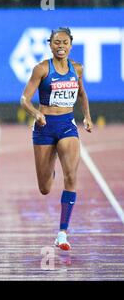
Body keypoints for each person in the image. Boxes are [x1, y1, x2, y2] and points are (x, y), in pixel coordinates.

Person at [20, 27, 93, 251]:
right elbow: (24, 99)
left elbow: (81, 93)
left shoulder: (77, 69)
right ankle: (49, 168)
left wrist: (87, 117)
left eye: (64, 43)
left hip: (67, 126)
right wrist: (36, 113)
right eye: (56, 43)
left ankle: (62, 232)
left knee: (71, 175)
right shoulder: (42, 69)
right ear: (50, 45)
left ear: (71, 45)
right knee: (44, 187)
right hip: (44, 127)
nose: (60, 46)